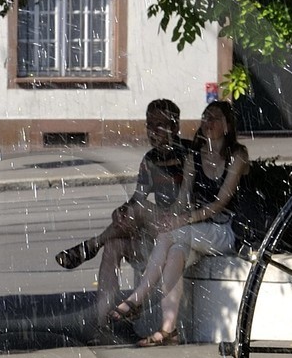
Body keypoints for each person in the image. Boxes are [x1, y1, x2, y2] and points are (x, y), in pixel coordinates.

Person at [113, 98, 248, 344]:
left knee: (174, 235)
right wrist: (173, 217)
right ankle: (168, 330)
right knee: (175, 253)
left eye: (215, 117)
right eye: (205, 116)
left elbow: (220, 203)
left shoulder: (237, 155)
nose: (208, 121)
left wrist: (182, 221)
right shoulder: (194, 156)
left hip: (224, 231)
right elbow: (183, 198)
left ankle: (136, 299)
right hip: (197, 231)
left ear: (227, 126)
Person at [55, 100, 189, 334]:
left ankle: (91, 244)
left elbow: (184, 203)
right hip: (158, 229)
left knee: (136, 211)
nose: (153, 131)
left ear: (175, 126)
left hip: (181, 227)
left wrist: (134, 209)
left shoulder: (188, 154)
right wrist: (123, 210)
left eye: (160, 125)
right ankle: (102, 323)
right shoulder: (150, 159)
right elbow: (138, 198)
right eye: (150, 125)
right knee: (114, 245)